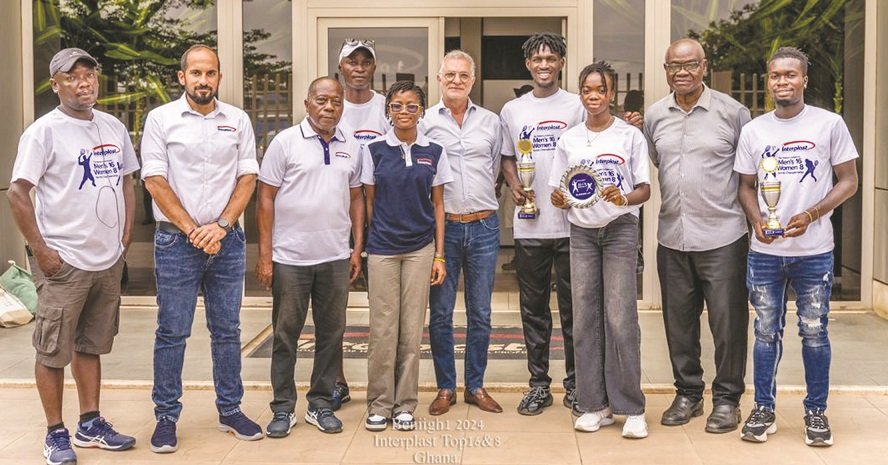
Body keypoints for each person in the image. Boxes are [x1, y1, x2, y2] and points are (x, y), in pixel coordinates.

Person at [8, 47, 138, 465]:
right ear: (56, 84)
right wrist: (41, 251)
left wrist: (124, 240)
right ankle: (55, 433)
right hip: (64, 262)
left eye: (89, 75)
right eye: (73, 77)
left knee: (91, 345)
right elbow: (18, 192)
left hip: (106, 260)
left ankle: (90, 423)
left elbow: (127, 184)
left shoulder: (113, 127)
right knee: (52, 350)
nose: (84, 83)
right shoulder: (44, 132)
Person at [140, 44, 262, 453]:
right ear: (182, 78)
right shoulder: (161, 119)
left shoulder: (238, 120)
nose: (203, 80)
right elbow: (154, 180)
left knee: (227, 330)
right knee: (172, 331)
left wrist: (223, 225)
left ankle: (230, 409)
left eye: (210, 73)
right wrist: (194, 230)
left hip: (227, 241)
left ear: (219, 78)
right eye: (196, 73)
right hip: (177, 241)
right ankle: (166, 416)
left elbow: (248, 176)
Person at [734, 47, 859, 447]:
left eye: (790, 75)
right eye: (775, 75)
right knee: (766, 332)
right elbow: (746, 187)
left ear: (804, 79)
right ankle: (764, 409)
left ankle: (816, 413)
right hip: (765, 252)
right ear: (768, 81)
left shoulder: (829, 124)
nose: (781, 82)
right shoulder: (755, 130)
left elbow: (849, 181)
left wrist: (812, 214)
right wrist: (757, 220)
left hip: (814, 251)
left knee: (814, 332)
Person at [643, 38, 752, 433]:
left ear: (704, 66)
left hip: (723, 237)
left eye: (689, 65)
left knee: (727, 324)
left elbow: (748, 173)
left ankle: (727, 400)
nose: (682, 72)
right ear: (666, 70)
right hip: (672, 237)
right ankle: (688, 393)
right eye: (674, 66)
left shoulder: (732, 113)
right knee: (678, 324)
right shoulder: (655, 115)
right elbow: (657, 164)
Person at [256, 77, 365, 437]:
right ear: (307, 104)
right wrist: (266, 255)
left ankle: (320, 404)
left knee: (331, 334)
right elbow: (266, 197)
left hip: (335, 256)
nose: (329, 107)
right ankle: (283, 408)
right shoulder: (285, 143)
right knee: (286, 335)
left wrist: (356, 247)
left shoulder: (351, 144)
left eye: (335, 101)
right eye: (321, 100)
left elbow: (356, 198)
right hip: (291, 259)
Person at [550, 61, 651, 439]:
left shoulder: (629, 136)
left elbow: (644, 189)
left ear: (611, 94)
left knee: (620, 317)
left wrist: (624, 197)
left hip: (620, 229)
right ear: (581, 94)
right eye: (587, 90)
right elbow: (557, 189)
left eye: (601, 90)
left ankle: (632, 407)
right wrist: (559, 198)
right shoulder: (570, 138)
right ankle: (595, 405)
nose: (594, 96)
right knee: (585, 318)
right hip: (581, 232)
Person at [499, 32, 586, 416]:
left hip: (572, 225)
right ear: (528, 65)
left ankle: (575, 384)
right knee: (533, 308)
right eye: (537, 59)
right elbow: (506, 158)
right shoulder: (513, 110)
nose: (544, 64)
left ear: (562, 63)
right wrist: (517, 184)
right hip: (531, 225)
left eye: (551, 58)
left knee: (573, 308)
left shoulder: (577, 105)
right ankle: (538, 384)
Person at [362, 81, 452, 432]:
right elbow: (368, 202)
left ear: (422, 111)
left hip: (420, 250)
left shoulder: (435, 151)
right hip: (383, 249)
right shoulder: (373, 151)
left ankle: (404, 405)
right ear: (387, 111)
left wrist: (439, 256)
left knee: (412, 330)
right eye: (397, 105)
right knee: (383, 329)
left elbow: (439, 205)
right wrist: (370, 242)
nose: (404, 112)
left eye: (411, 106)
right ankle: (379, 404)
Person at [422, 50, 503, 415]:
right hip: (444, 229)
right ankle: (445, 387)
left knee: (481, 312)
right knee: (440, 314)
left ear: (473, 79)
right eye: (450, 74)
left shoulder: (490, 121)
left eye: (463, 75)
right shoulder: (424, 122)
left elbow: (495, 167)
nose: (456, 80)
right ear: (439, 78)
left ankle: (475, 385)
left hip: (484, 226)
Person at [331, 38, 388, 409]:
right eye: (352, 61)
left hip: (383, 217)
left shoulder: (387, 107)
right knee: (334, 306)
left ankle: (384, 386)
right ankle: (335, 380)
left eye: (366, 61)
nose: (359, 67)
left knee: (382, 307)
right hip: (338, 217)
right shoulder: (331, 106)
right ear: (341, 68)